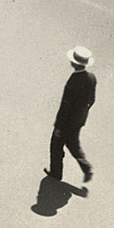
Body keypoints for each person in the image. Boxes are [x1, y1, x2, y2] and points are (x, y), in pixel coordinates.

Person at [46, 46, 97, 183]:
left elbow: (65, 107)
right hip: (79, 120)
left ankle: (56, 172)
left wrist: (58, 126)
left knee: (56, 145)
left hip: (67, 122)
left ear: (74, 63)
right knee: (73, 143)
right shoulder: (91, 78)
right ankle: (86, 167)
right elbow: (91, 100)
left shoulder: (73, 81)